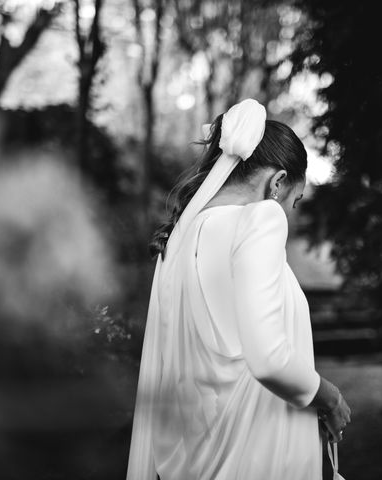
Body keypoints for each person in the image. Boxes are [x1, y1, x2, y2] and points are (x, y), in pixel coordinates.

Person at [126, 98, 351, 480]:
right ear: (277, 182)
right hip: (254, 455)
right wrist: (327, 397)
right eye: (293, 201)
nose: (289, 214)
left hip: (199, 456)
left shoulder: (178, 239)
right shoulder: (261, 218)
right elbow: (268, 359)